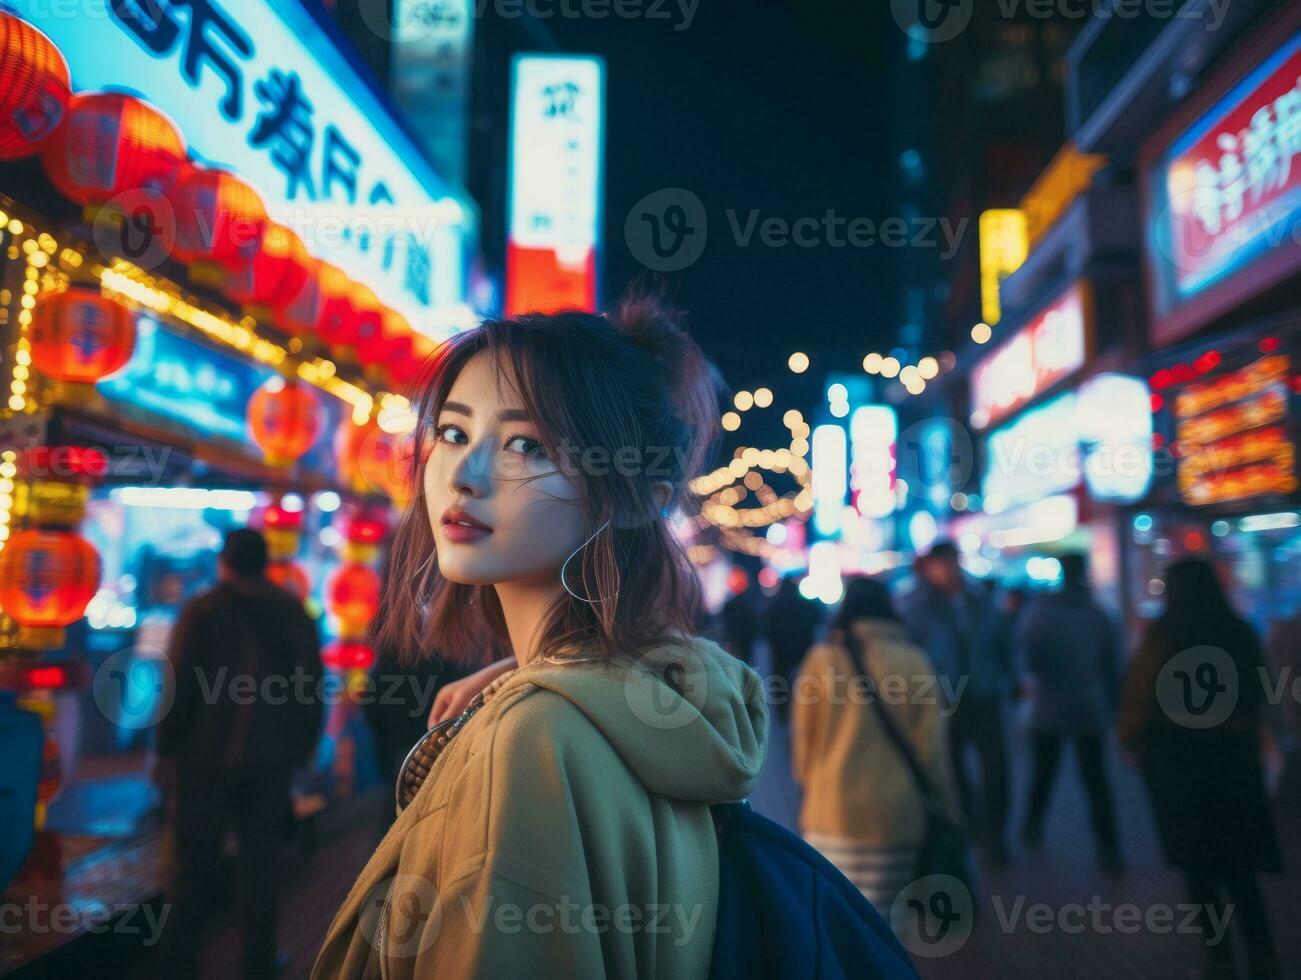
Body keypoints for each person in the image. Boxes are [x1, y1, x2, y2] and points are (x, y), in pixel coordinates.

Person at [313, 296, 768, 979]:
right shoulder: (648, 699)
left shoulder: (530, 740)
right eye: (454, 433)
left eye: (526, 445)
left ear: (637, 494)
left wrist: (525, 699)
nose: (462, 477)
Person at [156, 527, 324, 979]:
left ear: (224, 562)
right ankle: (258, 961)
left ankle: (180, 961)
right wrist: (304, 750)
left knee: (192, 867)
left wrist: (165, 750)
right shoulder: (294, 612)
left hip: (205, 759)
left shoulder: (203, 610)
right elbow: (311, 689)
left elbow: (179, 687)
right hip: (270, 761)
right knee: (261, 867)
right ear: (265, 563)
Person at [1117, 558, 1282, 980]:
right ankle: (1262, 957)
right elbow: (1265, 692)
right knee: (1240, 867)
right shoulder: (1241, 632)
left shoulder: (1163, 634)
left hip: (1180, 760)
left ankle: (1220, 958)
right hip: (1235, 758)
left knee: (1199, 865)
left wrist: (1130, 739)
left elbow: (1139, 692)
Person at [791, 576, 958, 918]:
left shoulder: (821, 660)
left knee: (834, 925)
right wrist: (947, 804)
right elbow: (932, 750)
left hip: (831, 814)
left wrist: (813, 783)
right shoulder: (914, 661)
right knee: (886, 928)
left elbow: (803, 742)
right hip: (896, 818)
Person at [901, 540, 1013, 864]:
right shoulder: (917, 606)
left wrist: (1009, 679)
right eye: (940, 563)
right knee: (953, 770)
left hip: (985, 695)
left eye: (950, 561)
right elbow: (912, 653)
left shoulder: (981, 599)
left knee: (996, 769)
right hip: (944, 700)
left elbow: (1003, 643)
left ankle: (995, 835)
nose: (947, 569)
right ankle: (968, 829)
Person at [1016, 553, 1123, 871]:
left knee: (1043, 774)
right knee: (1097, 781)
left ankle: (1031, 829)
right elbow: (1111, 666)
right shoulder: (1098, 613)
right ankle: (1109, 847)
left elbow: (1030, 656)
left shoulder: (1041, 612)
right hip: (1088, 706)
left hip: (1049, 704)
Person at [764, 575, 823, 722]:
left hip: (781, 651)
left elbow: (767, 629)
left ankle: (783, 715)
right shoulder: (806, 606)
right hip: (802, 650)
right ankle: (803, 714)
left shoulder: (775, 606)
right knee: (804, 684)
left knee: (781, 684)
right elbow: (817, 620)